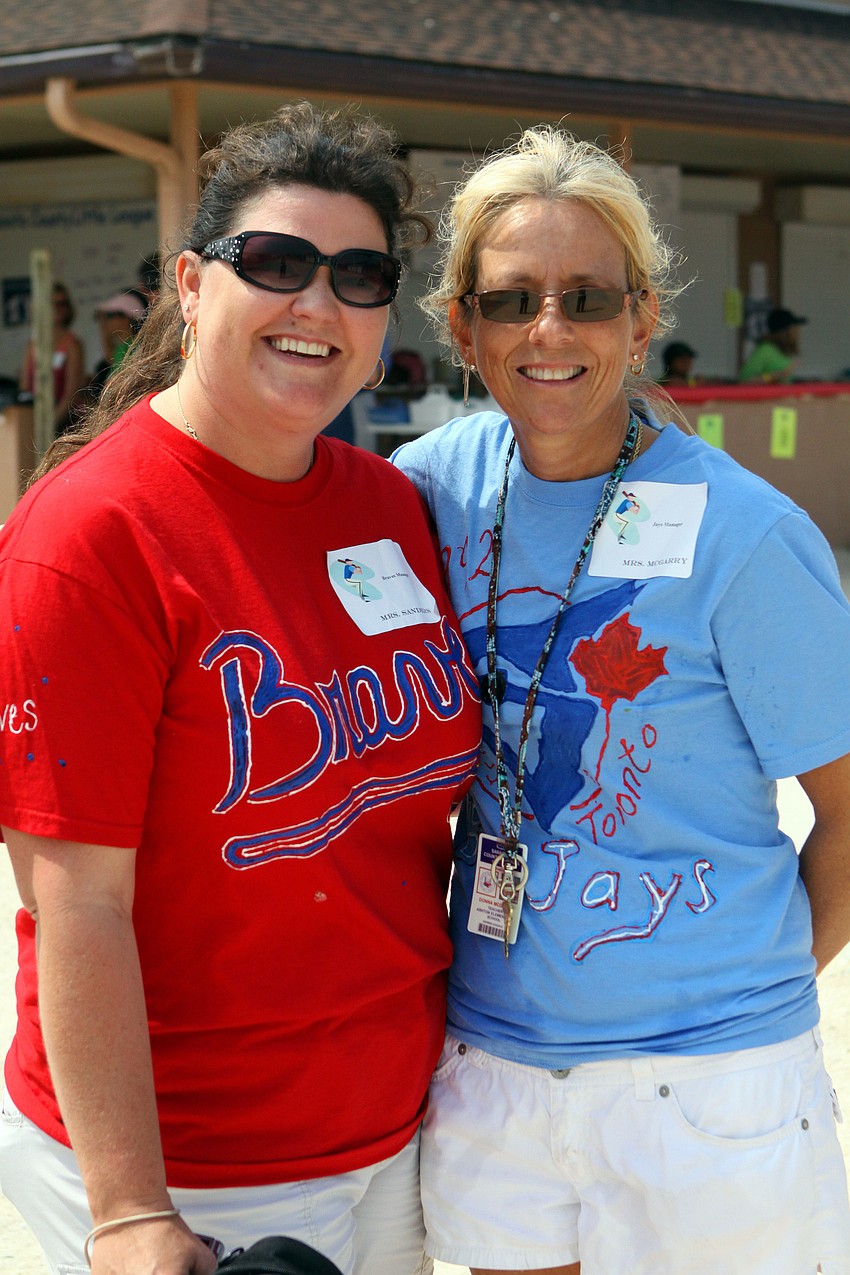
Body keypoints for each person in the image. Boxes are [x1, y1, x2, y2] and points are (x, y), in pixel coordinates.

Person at [0, 102, 481, 1275]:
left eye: (359, 275)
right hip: (197, 1172)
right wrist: (127, 1210)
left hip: (399, 1129)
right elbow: (77, 907)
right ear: (191, 284)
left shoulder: (389, 507)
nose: (317, 302)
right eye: (276, 262)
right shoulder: (89, 538)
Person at [393, 124, 850, 1275]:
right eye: (510, 301)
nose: (548, 330)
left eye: (587, 297)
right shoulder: (423, 493)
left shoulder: (746, 535)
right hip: (490, 1062)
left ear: (642, 319)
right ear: (460, 325)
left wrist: (744, 1000)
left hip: (706, 1087)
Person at [17, 281, 87, 432]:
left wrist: (48, 426)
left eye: (62, 303)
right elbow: (24, 389)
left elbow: (71, 394)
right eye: (52, 303)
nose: (57, 308)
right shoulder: (32, 346)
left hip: (65, 421)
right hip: (34, 419)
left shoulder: (72, 345)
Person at [739, 306, 807, 383]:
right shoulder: (766, 350)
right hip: (768, 395)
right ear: (785, 331)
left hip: (784, 395)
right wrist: (774, 376)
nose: (798, 332)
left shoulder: (783, 351)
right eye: (794, 329)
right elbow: (745, 381)